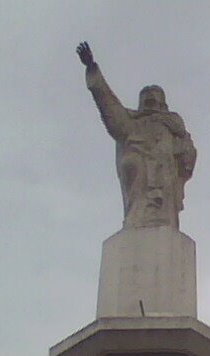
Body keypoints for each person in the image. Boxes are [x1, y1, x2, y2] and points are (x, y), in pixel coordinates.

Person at [76, 41, 197, 230]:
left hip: (165, 173)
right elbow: (109, 105)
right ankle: (137, 222)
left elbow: (187, 155)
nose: (150, 101)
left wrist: (184, 152)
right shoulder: (132, 122)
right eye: (147, 97)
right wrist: (93, 69)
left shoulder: (172, 124)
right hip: (137, 169)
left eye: (154, 97)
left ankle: (155, 224)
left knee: (163, 218)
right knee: (138, 209)